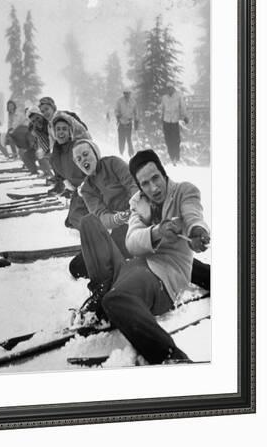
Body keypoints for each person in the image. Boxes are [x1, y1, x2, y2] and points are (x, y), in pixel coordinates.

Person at [77, 149, 210, 364]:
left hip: (161, 276)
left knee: (116, 300)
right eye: (145, 183)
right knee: (89, 222)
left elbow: (193, 214)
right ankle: (101, 290)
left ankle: (169, 356)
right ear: (139, 186)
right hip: (132, 267)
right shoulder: (138, 202)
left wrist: (196, 230)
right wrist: (156, 231)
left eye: (155, 178)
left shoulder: (184, 191)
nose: (153, 188)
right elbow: (132, 242)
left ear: (163, 172)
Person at [69, 139, 139, 278]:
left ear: (95, 153)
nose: (83, 160)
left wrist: (135, 208)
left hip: (140, 214)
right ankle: (119, 272)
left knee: (148, 248)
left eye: (85, 154)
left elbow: (133, 184)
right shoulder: (87, 189)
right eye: (79, 159)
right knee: (77, 266)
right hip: (121, 226)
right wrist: (116, 219)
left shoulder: (113, 164)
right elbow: (101, 216)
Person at [49, 113, 90, 230]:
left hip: (90, 189)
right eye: (58, 129)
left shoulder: (77, 148)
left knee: (78, 218)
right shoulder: (54, 156)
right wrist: (64, 182)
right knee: (71, 221)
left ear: (70, 132)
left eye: (64, 129)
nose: (61, 132)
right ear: (54, 132)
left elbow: (92, 170)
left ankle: (98, 232)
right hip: (78, 191)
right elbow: (59, 175)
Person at [161, 83, 189, 165]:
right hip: (166, 121)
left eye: (170, 88)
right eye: (168, 88)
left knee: (176, 140)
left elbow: (183, 107)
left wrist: (185, 116)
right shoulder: (164, 98)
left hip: (174, 121)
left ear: (173, 89)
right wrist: (161, 118)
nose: (169, 90)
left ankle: (176, 157)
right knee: (168, 140)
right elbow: (162, 109)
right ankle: (172, 157)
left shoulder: (178, 97)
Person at [26, 106, 54, 178]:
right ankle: (52, 175)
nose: (36, 122)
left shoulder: (50, 124)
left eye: (37, 118)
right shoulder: (36, 130)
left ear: (41, 115)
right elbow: (41, 142)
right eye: (33, 121)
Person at [115, 89, 138, 158]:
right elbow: (116, 110)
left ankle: (131, 153)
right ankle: (121, 152)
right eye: (125, 93)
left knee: (129, 138)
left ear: (130, 94)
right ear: (124, 93)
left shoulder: (133, 102)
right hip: (121, 122)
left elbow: (136, 112)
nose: (127, 95)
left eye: (128, 93)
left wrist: (136, 121)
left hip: (129, 122)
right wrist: (118, 116)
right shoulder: (119, 101)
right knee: (121, 139)